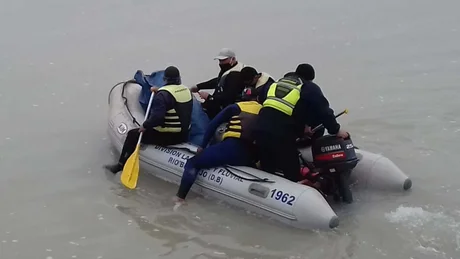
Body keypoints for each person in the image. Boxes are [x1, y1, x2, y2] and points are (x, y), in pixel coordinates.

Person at [253, 63, 349, 183]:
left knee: (268, 166)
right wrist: (336, 130)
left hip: (259, 128)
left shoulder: (275, 84)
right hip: (281, 134)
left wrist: (302, 125)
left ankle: (268, 189)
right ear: (310, 79)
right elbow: (324, 112)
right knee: (292, 169)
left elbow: (274, 106)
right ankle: (294, 188)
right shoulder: (308, 87)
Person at [175, 86, 262, 202]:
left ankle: (180, 198)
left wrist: (202, 146)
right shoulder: (264, 112)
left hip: (230, 149)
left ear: (244, 98)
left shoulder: (236, 107)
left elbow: (213, 125)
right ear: (257, 98)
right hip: (249, 156)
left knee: (192, 163)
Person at [104, 66, 193, 174]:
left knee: (132, 134)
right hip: (184, 135)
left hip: (168, 136)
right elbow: (173, 100)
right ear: (179, 78)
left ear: (165, 79)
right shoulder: (186, 90)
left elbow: (157, 118)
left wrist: (145, 126)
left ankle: (120, 165)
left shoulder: (162, 96)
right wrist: (159, 91)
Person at [190, 48, 246, 119]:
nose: (221, 63)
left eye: (224, 60)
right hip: (218, 105)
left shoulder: (235, 75)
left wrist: (209, 97)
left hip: (224, 110)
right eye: (220, 61)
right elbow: (219, 80)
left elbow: (229, 97)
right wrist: (198, 86)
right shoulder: (228, 70)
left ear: (233, 59)